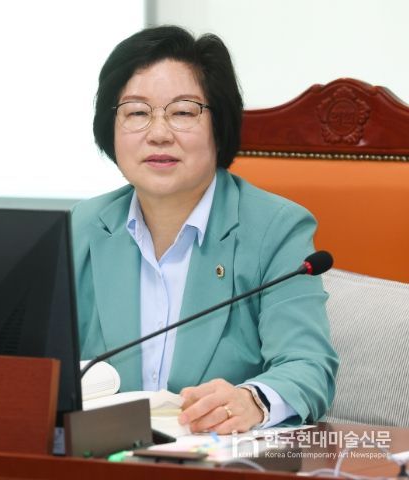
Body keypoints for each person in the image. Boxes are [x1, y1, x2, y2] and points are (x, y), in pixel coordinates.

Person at [71, 25, 338, 434]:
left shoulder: (276, 229)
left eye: (182, 112)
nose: (158, 134)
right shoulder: (82, 227)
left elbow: (308, 365)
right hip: (103, 452)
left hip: (217, 454)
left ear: (220, 124)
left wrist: (253, 400)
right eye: (137, 113)